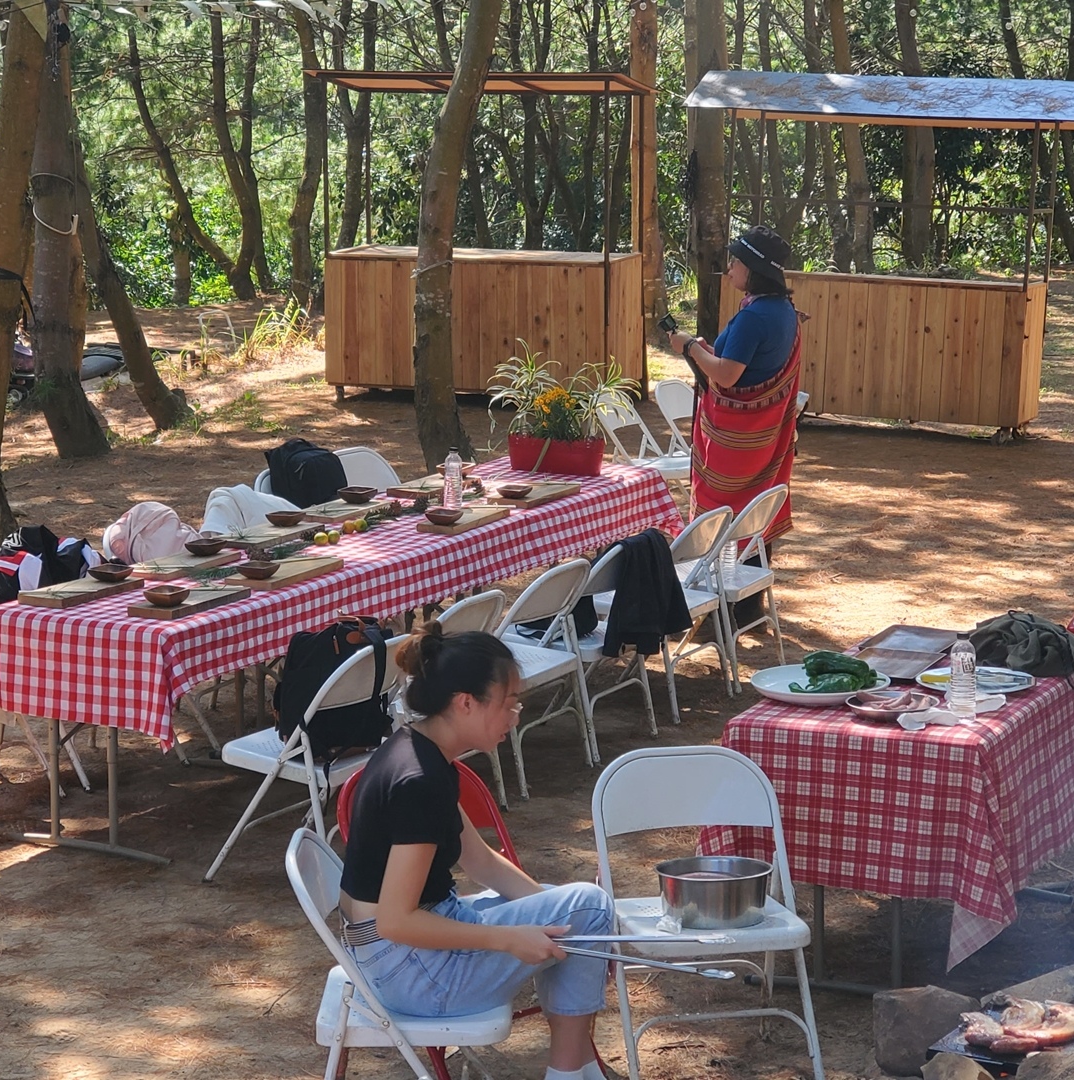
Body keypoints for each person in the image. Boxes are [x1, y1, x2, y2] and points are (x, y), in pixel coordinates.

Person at [339, 622, 613, 1080]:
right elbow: (396, 920)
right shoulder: (419, 783)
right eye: (509, 704)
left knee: (574, 913)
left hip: (392, 959)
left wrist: (546, 920)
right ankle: (569, 1071)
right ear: (465, 702)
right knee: (589, 904)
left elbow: (481, 862)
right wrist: (509, 937)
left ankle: (581, 1067)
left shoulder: (419, 752)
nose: (516, 716)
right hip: (414, 975)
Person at [666, 225, 802, 542]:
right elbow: (752, 367)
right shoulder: (783, 310)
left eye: (735, 262)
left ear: (753, 269)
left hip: (735, 446)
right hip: (762, 442)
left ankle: (724, 582)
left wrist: (689, 347)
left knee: (722, 522)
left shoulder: (754, 317)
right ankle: (746, 582)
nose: (728, 270)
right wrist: (706, 352)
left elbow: (727, 375)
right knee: (753, 520)